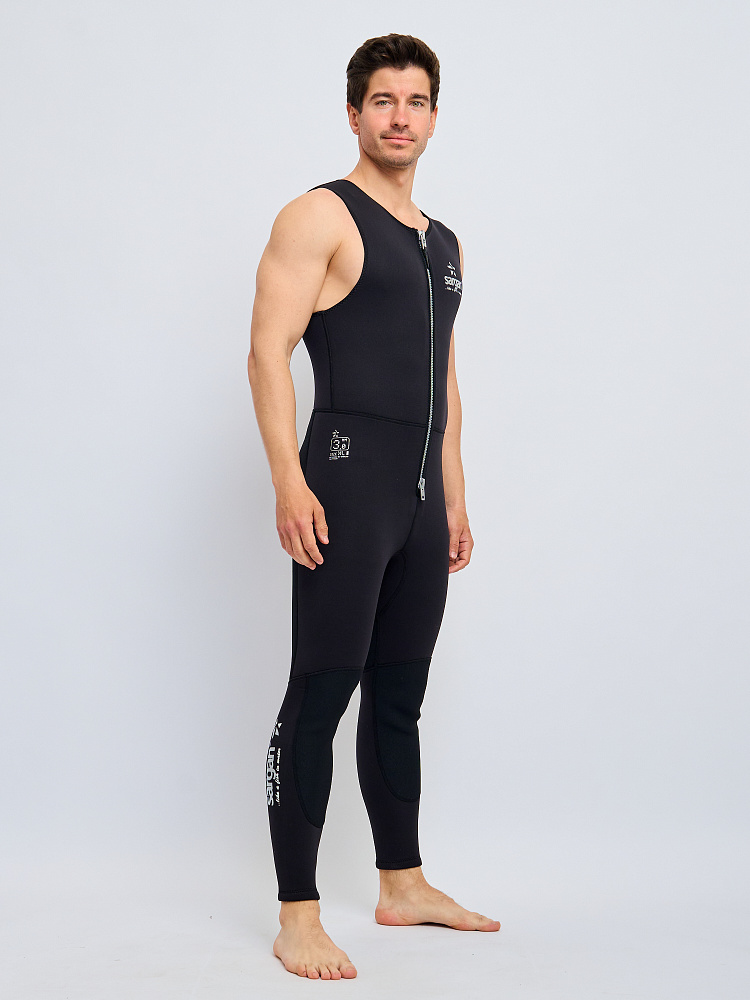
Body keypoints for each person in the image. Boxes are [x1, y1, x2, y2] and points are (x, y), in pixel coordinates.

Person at [247, 32, 500, 981]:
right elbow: (266, 350)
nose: (401, 117)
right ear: (354, 114)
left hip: (420, 499)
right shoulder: (320, 215)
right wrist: (289, 478)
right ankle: (298, 913)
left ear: (435, 117)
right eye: (383, 100)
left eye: (417, 101)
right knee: (321, 689)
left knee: (400, 694)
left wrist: (455, 496)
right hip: (345, 481)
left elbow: (443, 379)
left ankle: (403, 883)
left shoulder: (445, 244)